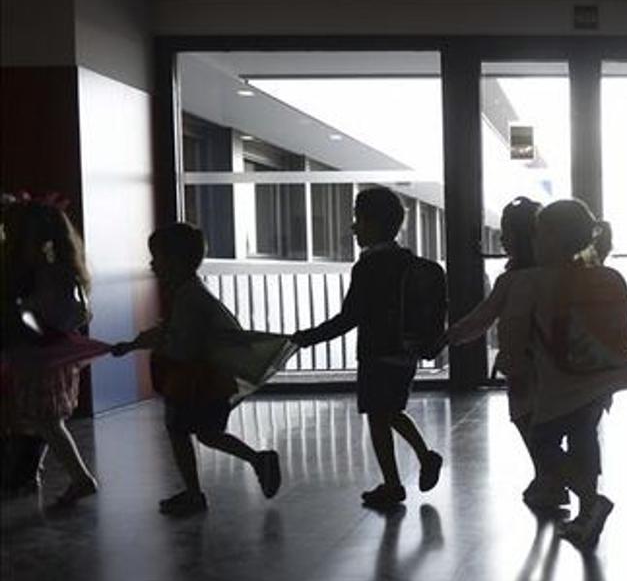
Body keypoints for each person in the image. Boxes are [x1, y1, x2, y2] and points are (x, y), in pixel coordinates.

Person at [292, 187, 446, 511]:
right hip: (406, 352)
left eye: (358, 220)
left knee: (378, 417)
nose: (353, 227)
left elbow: (350, 317)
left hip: (377, 353)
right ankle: (425, 456)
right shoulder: (407, 262)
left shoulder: (368, 267)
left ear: (373, 224)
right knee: (390, 412)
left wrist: (307, 337)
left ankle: (393, 484)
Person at [113, 224, 280, 516]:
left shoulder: (189, 298)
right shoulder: (190, 292)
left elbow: (180, 343)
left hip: (194, 382)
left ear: (174, 261)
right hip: (207, 382)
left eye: (158, 257)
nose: (152, 264)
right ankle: (255, 461)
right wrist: (132, 345)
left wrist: (151, 347)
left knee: (180, 432)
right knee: (207, 433)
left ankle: (194, 493)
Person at [501, 199, 627, 549]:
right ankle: (586, 517)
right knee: (585, 440)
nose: (535, 243)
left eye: (540, 235)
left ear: (554, 239)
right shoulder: (607, 277)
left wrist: (510, 361)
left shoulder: (533, 281)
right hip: (599, 379)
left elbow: (514, 332)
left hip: (559, 384)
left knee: (543, 443)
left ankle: (591, 502)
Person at [447, 196, 571, 509]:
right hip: (559, 365)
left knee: (527, 422)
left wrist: (447, 337)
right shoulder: (560, 276)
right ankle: (551, 477)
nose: (502, 238)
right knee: (550, 425)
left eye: (507, 232)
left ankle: (552, 478)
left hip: (522, 366)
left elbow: (481, 319)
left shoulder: (511, 280)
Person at [0, 199, 99, 508]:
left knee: (47, 423)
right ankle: (34, 472)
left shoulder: (48, 274)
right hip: (52, 357)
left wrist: (24, 312)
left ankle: (81, 479)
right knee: (44, 420)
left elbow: (38, 315)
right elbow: (81, 315)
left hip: (42, 359)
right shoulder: (66, 271)